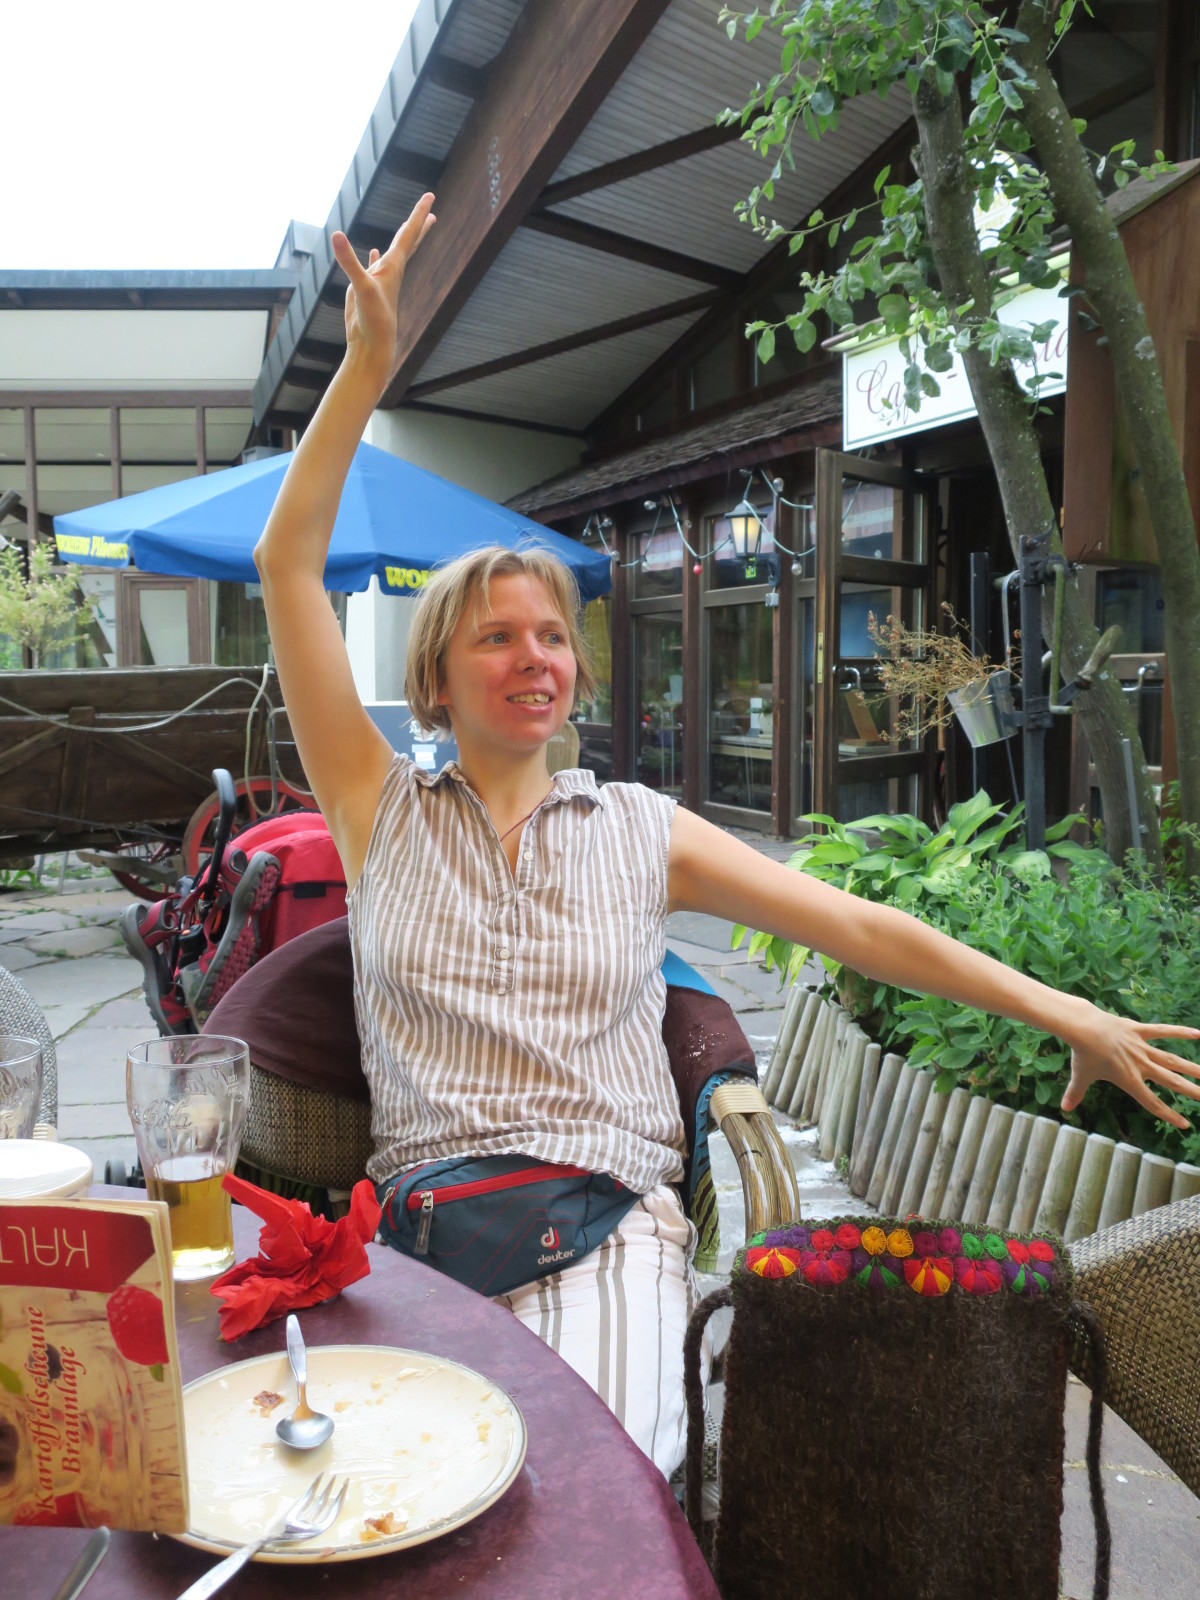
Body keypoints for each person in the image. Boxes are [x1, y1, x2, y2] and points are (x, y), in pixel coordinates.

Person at [254, 193, 1200, 1477]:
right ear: (436, 678)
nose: (534, 657)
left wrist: (1064, 1011)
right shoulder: (379, 809)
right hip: (426, 1238)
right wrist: (366, 370)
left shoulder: (641, 831)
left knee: (594, 1486)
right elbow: (288, 562)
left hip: (605, 1227)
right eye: (497, 636)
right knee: (387, 1497)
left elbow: (860, 926)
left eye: (553, 637)